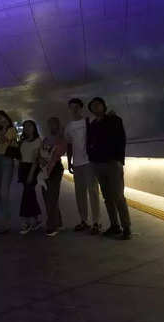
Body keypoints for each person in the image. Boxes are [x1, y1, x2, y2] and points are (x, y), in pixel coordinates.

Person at [87, 97, 131, 240]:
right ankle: (114, 225)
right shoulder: (92, 124)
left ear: (104, 106)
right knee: (107, 197)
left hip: (112, 164)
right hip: (98, 164)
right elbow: (89, 143)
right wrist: (91, 158)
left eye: (98, 104)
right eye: (92, 106)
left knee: (118, 196)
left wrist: (119, 160)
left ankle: (126, 227)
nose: (95, 107)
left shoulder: (114, 120)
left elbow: (121, 139)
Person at [65, 98, 102, 235]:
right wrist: (70, 162)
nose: (74, 109)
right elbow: (69, 145)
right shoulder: (68, 127)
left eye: (76, 107)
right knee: (79, 193)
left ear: (81, 108)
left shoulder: (89, 121)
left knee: (93, 191)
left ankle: (96, 222)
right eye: (71, 107)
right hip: (77, 164)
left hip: (89, 162)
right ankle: (84, 221)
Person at [39, 117, 67, 237]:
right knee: (46, 195)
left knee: (52, 196)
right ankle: (58, 221)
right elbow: (41, 152)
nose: (51, 126)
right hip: (44, 169)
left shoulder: (61, 139)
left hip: (55, 168)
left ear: (58, 125)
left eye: (54, 124)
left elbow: (59, 153)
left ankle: (52, 225)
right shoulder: (45, 139)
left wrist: (49, 159)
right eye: (49, 124)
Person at [0, 110, 18, 234]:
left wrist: (4, 127)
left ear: (6, 117)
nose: (0, 120)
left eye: (1, 117)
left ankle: (6, 222)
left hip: (7, 160)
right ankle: (4, 219)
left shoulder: (11, 129)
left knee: (3, 192)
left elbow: (1, 140)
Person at [18, 120, 43, 235]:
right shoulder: (22, 141)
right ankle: (37, 219)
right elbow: (20, 157)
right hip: (23, 168)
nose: (27, 128)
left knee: (27, 194)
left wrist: (31, 173)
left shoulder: (38, 141)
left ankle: (25, 221)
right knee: (30, 194)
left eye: (30, 126)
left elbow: (36, 160)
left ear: (34, 128)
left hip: (32, 168)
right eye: (25, 127)